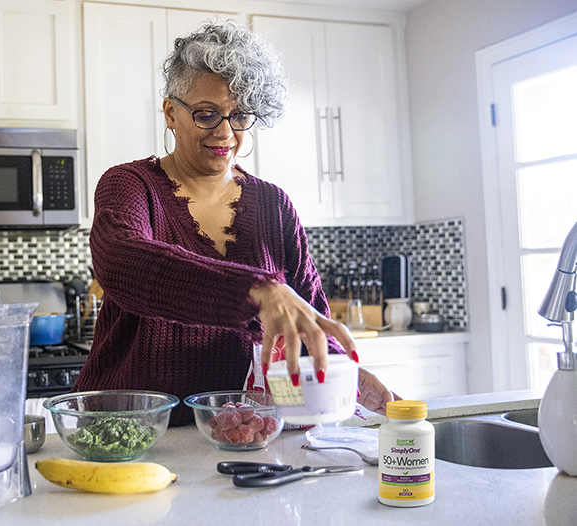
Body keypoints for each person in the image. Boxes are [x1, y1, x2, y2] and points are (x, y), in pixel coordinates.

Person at [73, 19, 398, 426]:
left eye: (241, 115)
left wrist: (335, 373)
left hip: (243, 436)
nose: (226, 133)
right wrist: (257, 291)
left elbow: (307, 314)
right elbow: (123, 262)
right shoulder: (130, 185)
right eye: (207, 114)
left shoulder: (274, 206)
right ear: (171, 112)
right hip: (129, 434)